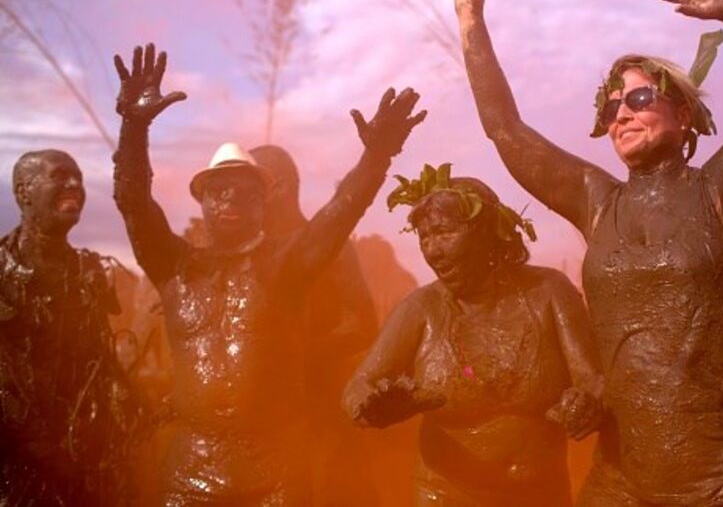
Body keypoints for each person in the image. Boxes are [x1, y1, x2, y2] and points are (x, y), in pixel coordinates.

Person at [454, 0, 723, 504]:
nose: (622, 114)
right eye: (611, 107)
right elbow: (504, 128)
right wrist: (471, 20)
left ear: (683, 114)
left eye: (638, 99)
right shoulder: (595, 201)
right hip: (628, 474)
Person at [111, 42, 425, 504]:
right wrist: (133, 128)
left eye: (244, 191)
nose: (230, 200)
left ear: (265, 201)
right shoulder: (174, 268)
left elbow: (340, 212)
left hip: (275, 469)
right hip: (191, 470)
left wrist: (376, 158)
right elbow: (134, 203)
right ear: (202, 199)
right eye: (219, 190)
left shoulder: (285, 267)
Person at [343, 164, 603, 507]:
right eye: (424, 237)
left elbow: (593, 379)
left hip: (539, 495)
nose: (432, 250)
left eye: (443, 232)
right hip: (445, 496)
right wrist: (372, 407)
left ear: (486, 230)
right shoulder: (419, 309)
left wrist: (586, 405)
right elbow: (358, 386)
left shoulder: (548, 292)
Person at [1, 150, 145, 505]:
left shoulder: (88, 273)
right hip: (14, 467)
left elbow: (99, 358)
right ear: (23, 191)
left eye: (78, 178)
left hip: (83, 464)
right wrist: (38, 445)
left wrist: (128, 400)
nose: (74, 185)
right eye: (60, 176)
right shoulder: (2, 272)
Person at [250, 144, 380, 506]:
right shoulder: (250, 252)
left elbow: (363, 324)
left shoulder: (329, 246)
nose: (242, 197)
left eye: (252, 184)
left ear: (279, 188)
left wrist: (297, 354)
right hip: (264, 419)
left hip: (321, 414)